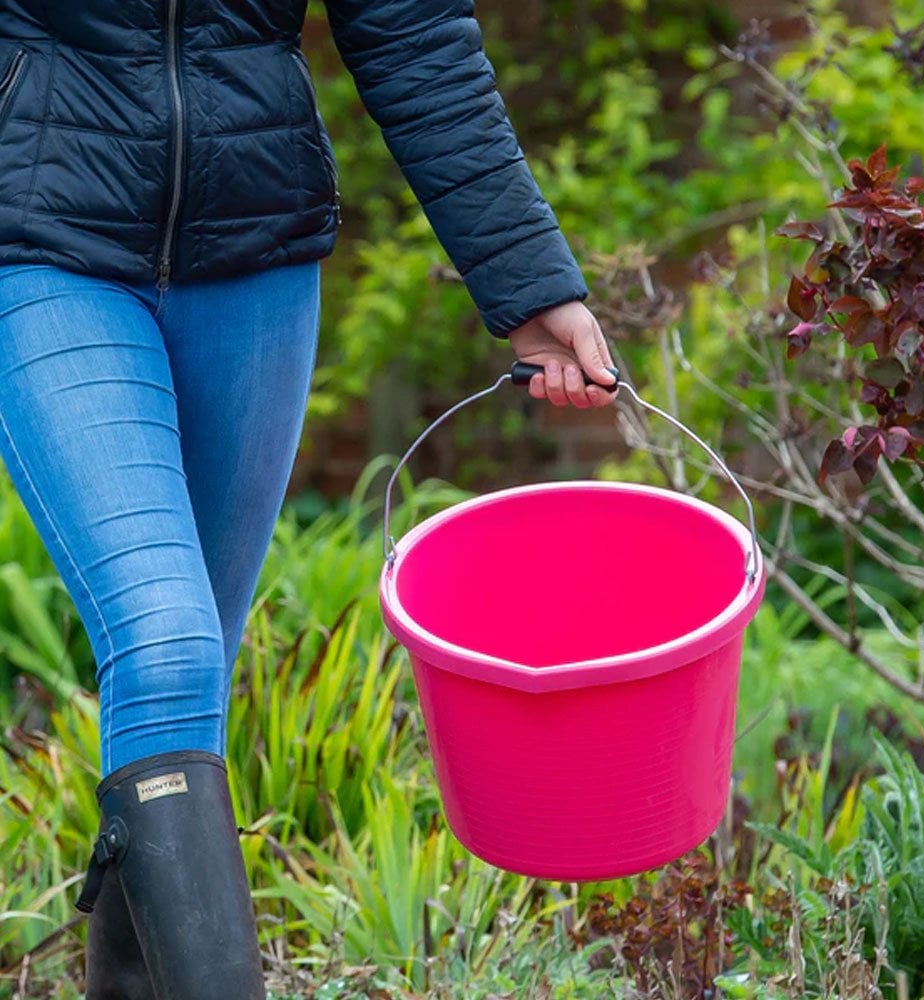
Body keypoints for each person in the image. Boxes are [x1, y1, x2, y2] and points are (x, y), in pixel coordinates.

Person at [0, 1, 618, 997]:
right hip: (37, 234)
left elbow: (411, 31)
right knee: (165, 641)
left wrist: (526, 280)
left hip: (253, 249)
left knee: (187, 682)